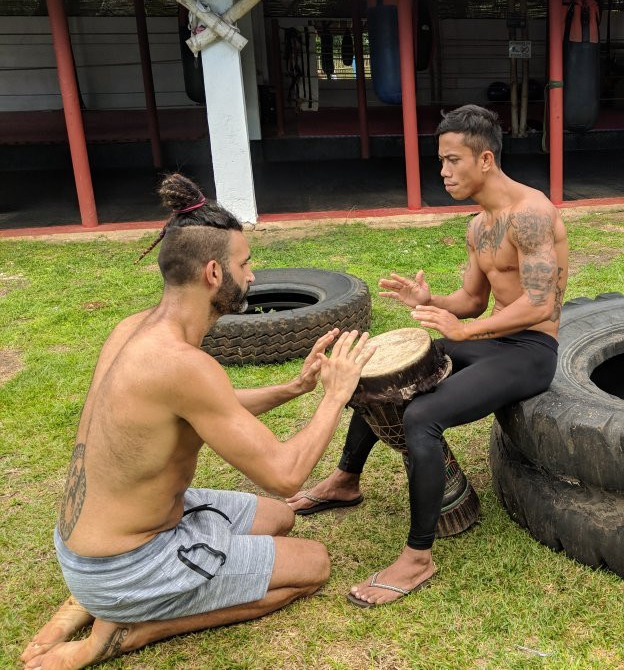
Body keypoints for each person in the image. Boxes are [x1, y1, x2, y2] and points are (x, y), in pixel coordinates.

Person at [21, 174, 376, 669]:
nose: (251, 276)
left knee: (282, 517)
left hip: (91, 540)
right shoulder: (184, 366)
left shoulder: (135, 331)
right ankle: (132, 629)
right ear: (214, 272)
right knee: (312, 565)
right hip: (126, 563)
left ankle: (91, 602)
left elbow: (213, 408)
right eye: (245, 264)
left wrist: (295, 388)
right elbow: (286, 474)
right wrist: (334, 397)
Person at [287, 104, 569, 607]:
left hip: (531, 349)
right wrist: (431, 303)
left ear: (485, 159)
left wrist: (468, 329)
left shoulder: (531, 214)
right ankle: (345, 480)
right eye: (440, 160)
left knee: (421, 415)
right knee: (376, 372)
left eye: (451, 160)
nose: (442, 171)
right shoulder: (479, 226)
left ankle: (418, 557)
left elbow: (540, 302)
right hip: (490, 338)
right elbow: (472, 300)